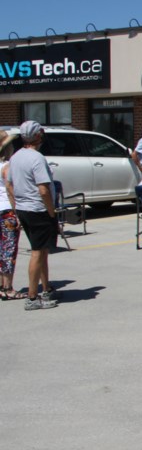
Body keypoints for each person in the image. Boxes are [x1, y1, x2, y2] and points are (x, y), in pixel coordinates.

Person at [5, 121, 58, 310]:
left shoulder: (16, 157)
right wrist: (51, 212)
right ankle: (32, 297)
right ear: (37, 136)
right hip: (38, 210)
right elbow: (43, 189)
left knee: (42, 250)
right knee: (37, 252)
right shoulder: (37, 158)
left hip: (24, 209)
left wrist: (16, 206)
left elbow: (9, 184)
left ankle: (45, 289)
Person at [0, 130, 26, 301]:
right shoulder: (6, 167)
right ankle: (8, 288)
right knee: (9, 250)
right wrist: (18, 213)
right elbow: (11, 190)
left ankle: (2, 286)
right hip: (7, 211)